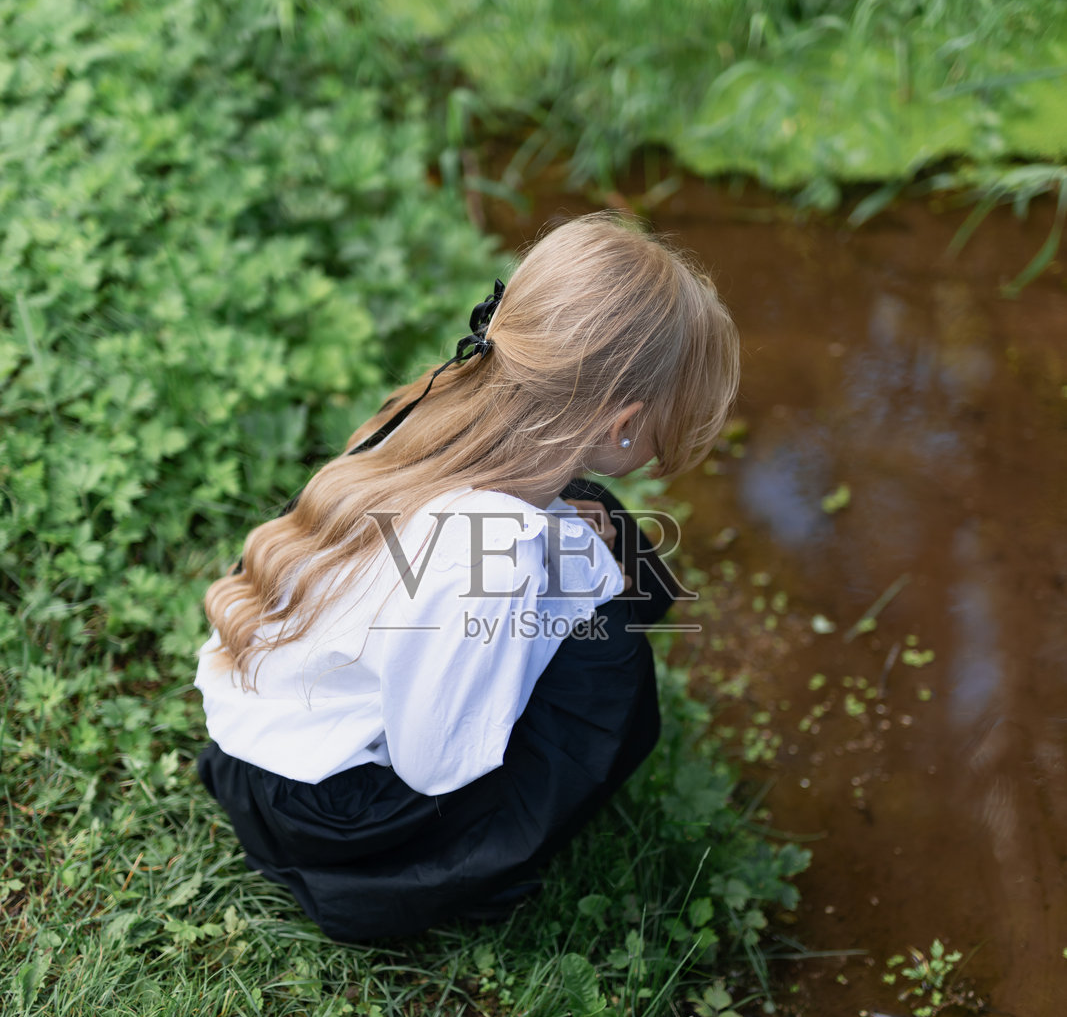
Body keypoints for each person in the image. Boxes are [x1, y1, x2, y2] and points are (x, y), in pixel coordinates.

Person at [193, 211, 739, 943]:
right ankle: (439, 880)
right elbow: (436, 764)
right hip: (321, 813)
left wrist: (561, 556)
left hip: (265, 734)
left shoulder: (447, 402)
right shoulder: (491, 549)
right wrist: (560, 598)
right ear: (624, 425)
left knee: (593, 526)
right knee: (604, 651)